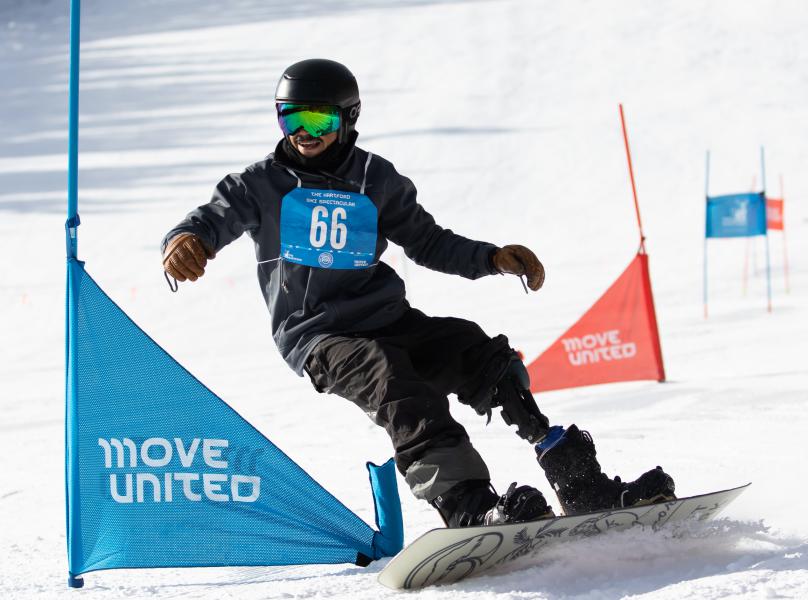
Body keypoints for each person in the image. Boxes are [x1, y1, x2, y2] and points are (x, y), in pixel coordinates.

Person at [161, 59, 674, 528]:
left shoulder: (374, 178)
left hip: (388, 319)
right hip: (320, 336)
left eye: (317, 121)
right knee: (396, 382)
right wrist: (185, 243)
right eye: (290, 120)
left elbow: (427, 241)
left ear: (347, 118)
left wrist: (490, 258)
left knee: (478, 352)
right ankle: (468, 506)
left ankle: (582, 485)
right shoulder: (258, 185)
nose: (304, 134)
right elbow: (207, 221)